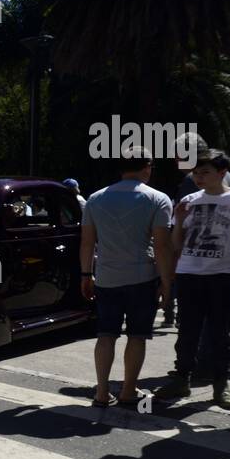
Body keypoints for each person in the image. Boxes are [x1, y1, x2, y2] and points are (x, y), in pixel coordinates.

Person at [153, 152, 230, 409]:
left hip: (222, 275)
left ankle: (221, 385)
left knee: (219, 333)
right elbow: (175, 244)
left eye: (205, 172)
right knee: (187, 333)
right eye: (195, 173)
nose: (198, 178)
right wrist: (181, 220)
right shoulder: (188, 200)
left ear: (222, 172)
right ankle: (181, 378)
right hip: (189, 274)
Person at [80, 147, 174, 407]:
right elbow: (162, 246)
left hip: (106, 277)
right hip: (142, 278)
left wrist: (86, 274)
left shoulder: (95, 199)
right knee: (137, 336)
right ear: (147, 167)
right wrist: (167, 283)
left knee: (106, 335)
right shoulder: (158, 199)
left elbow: (87, 243)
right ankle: (128, 390)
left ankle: (101, 392)